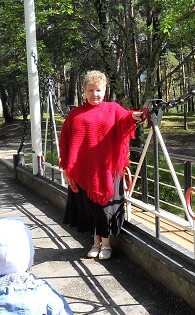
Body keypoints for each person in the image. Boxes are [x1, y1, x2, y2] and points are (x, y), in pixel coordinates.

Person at [59, 70, 143, 260]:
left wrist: (136, 116)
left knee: (105, 207)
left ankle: (106, 244)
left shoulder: (113, 109)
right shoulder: (75, 115)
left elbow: (125, 119)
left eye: (98, 90)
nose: (94, 94)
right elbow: (65, 141)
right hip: (85, 169)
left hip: (107, 168)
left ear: (104, 90)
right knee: (91, 208)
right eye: (90, 90)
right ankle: (95, 243)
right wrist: (66, 167)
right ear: (84, 91)